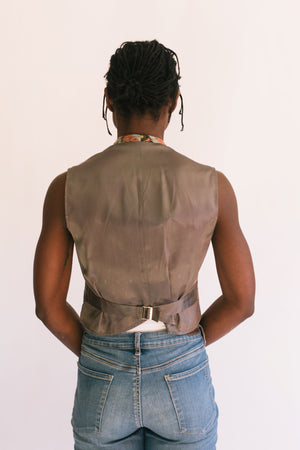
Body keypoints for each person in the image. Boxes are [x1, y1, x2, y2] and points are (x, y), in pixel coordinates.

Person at [33, 40, 255, 449]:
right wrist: (185, 347)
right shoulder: (213, 187)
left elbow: (47, 305)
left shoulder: (67, 187)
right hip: (182, 371)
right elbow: (242, 300)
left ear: (109, 99)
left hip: (102, 369)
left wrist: (100, 352)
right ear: (173, 100)